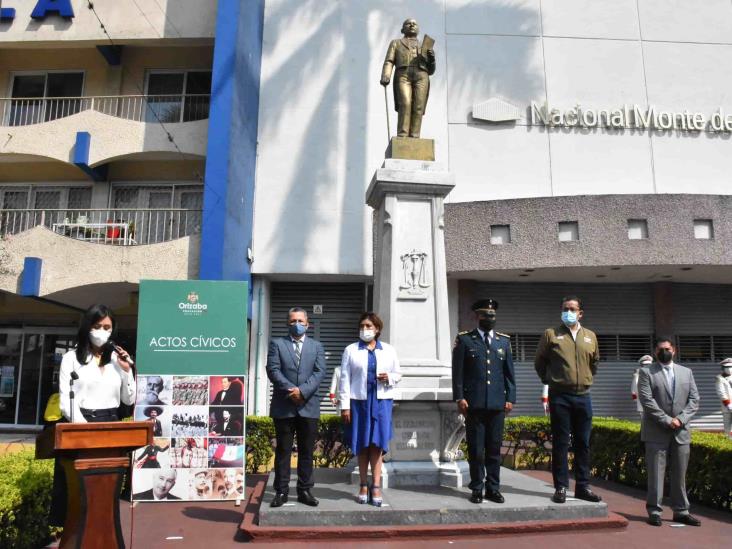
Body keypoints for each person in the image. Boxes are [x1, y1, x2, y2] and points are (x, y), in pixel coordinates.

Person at [51, 304, 136, 526]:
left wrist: (127, 371)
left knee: (106, 494)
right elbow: (65, 402)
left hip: (111, 424)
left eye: (107, 327)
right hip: (81, 425)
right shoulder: (71, 358)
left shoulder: (117, 360)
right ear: (87, 327)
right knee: (80, 495)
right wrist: (86, 432)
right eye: (97, 326)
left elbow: (128, 399)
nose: (102, 331)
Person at [534, 295, 602, 504]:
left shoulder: (590, 336)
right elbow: (539, 361)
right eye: (566, 308)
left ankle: (583, 486)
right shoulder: (551, 334)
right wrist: (551, 380)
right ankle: (561, 487)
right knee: (561, 444)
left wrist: (584, 379)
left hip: (583, 397)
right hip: (560, 397)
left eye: (573, 309)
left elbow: (595, 363)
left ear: (580, 313)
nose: (569, 312)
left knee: (583, 443)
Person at [452, 299, 516, 504]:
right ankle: (477, 487)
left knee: (495, 449)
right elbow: (458, 373)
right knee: (477, 449)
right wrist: (459, 397)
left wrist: (510, 398)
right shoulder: (465, 340)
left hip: (497, 404)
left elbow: (509, 374)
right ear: (477, 317)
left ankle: (493, 488)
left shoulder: (503, 341)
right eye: (486, 315)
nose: (490, 319)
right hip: (474, 404)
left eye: (493, 316)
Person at [266, 306, 326, 508]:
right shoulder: (277, 344)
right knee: (283, 451)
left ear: (308, 324)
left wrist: (303, 392)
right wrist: (292, 390)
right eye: (293, 321)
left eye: (301, 321)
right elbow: (273, 370)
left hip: (308, 405)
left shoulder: (316, 346)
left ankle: (305, 490)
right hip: (284, 405)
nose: (297, 325)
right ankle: (281, 491)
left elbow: (319, 372)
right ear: (287, 323)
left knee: (307, 451)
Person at [339, 312, 401, 506]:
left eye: (369, 326)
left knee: (377, 444)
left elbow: (398, 373)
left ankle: (376, 485)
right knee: (362, 444)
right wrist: (344, 406)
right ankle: (363, 485)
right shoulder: (351, 350)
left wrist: (389, 377)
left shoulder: (389, 350)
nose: (365, 329)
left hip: (381, 402)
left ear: (377, 329)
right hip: (359, 402)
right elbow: (344, 379)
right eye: (362, 326)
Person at [638, 337, 701, 527]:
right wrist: (667, 420)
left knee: (680, 474)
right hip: (656, 430)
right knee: (656, 473)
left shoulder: (686, 372)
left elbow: (694, 400)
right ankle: (655, 511)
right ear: (655, 352)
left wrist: (680, 419)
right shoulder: (646, 372)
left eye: (667, 348)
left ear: (673, 350)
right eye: (660, 350)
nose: (664, 352)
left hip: (681, 432)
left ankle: (681, 511)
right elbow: (647, 401)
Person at [380, 18, 436, 138]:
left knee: (418, 106)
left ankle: (415, 136)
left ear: (418, 29)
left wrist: (432, 59)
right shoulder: (396, 43)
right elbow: (389, 61)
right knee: (405, 103)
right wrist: (386, 74)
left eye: (414, 23)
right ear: (402, 29)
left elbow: (431, 71)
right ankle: (402, 135)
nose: (411, 25)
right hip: (403, 74)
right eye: (408, 23)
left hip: (421, 75)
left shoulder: (424, 45)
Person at [716, 358, 732, 439]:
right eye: (727, 367)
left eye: (731, 366)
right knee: (728, 427)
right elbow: (721, 393)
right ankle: (728, 443)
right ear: (723, 368)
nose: (729, 369)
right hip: (727, 408)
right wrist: (729, 405)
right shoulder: (719, 378)